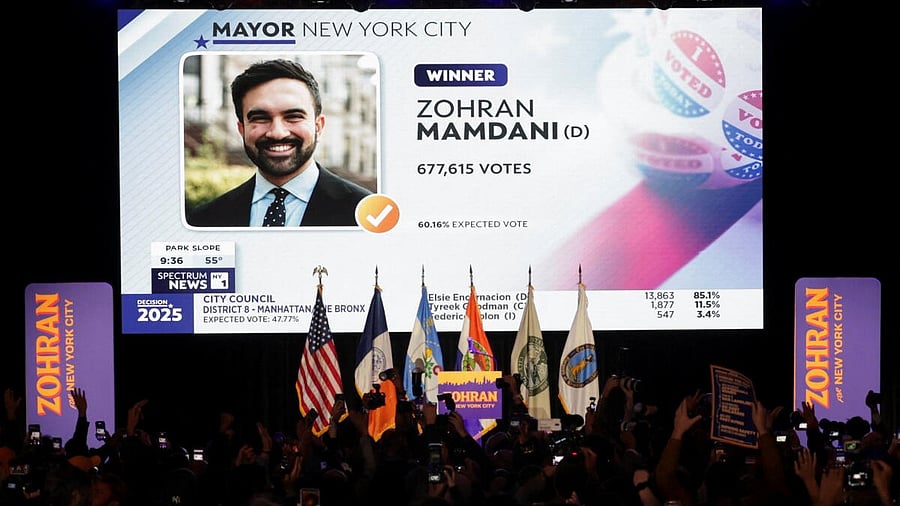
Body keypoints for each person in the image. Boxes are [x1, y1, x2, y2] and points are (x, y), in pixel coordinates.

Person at [187, 58, 372, 227]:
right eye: (260, 118)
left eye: (293, 117)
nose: (277, 132)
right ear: (242, 129)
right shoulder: (205, 220)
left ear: (318, 126)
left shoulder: (367, 216)